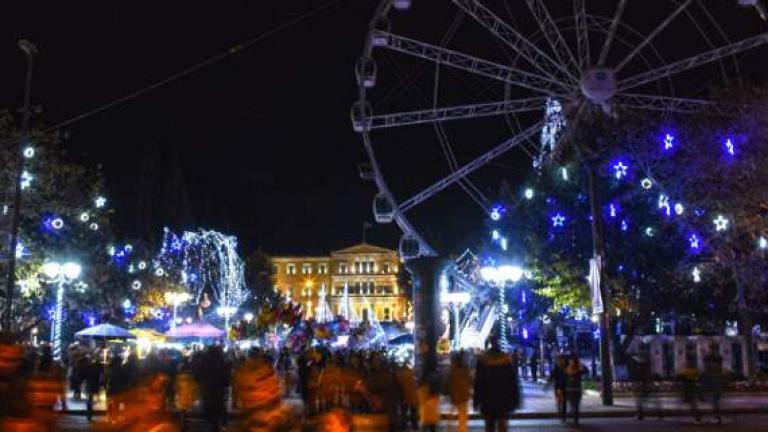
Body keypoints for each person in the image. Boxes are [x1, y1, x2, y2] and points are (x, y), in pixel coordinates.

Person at [473, 338, 519, 432]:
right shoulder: (505, 360)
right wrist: (515, 399)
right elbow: (512, 382)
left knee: (489, 425)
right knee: (502, 425)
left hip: (487, 399)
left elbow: (478, 383)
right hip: (503, 399)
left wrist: (476, 400)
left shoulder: (483, 361)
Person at [446, 352, 472, 432]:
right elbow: (470, 380)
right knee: (463, 416)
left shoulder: (452, 370)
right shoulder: (466, 369)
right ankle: (462, 430)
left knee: (451, 414)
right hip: (464, 395)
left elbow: (448, 382)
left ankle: (449, 429)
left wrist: (448, 392)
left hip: (455, 395)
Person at [702, 345, 724, 424]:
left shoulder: (710, 366)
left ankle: (717, 417)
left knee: (714, 401)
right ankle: (717, 416)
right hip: (716, 384)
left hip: (713, 384)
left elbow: (706, 375)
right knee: (715, 401)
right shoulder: (717, 365)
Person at [564, 353, 586, 425]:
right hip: (577, 389)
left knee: (572, 403)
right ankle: (575, 418)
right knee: (576, 404)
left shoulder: (568, 368)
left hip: (570, 389)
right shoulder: (579, 369)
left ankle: (573, 414)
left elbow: (565, 376)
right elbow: (585, 371)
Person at [678, 357, 702, 423]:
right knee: (693, 404)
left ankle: (698, 418)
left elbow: (680, 376)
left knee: (693, 405)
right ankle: (697, 418)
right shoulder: (696, 371)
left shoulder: (685, 372)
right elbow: (699, 377)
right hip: (692, 389)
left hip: (688, 389)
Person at [545, 354, 567, 422]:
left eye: (561, 360)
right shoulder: (556, 368)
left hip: (564, 387)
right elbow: (551, 377)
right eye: (558, 360)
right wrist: (547, 385)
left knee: (564, 402)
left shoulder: (566, 367)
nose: (559, 361)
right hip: (557, 387)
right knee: (559, 401)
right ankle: (560, 413)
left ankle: (563, 415)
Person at [83, 356, 103, 422]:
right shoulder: (98, 367)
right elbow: (101, 376)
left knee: (89, 399)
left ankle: (89, 415)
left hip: (89, 385)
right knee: (90, 399)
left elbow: (85, 376)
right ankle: (89, 414)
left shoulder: (88, 367)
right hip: (94, 385)